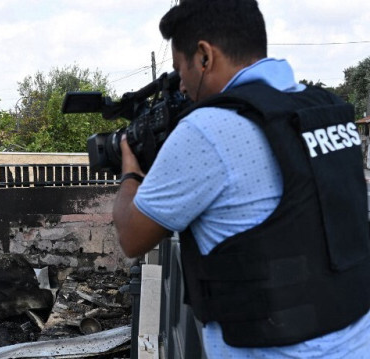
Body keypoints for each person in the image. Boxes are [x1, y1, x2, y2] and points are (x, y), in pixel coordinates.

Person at [112, 0, 370, 357]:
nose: (182, 87)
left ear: (204, 56)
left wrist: (130, 170)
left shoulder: (209, 129)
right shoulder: (326, 109)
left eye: (179, 70)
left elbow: (131, 237)